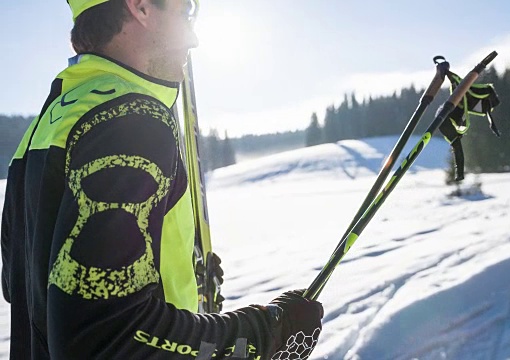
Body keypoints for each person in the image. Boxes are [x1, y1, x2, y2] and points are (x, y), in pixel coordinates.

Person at [0, 0, 323, 359]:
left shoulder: (50, 121)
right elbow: (105, 336)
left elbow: (27, 282)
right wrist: (267, 332)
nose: (194, 38)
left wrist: (176, 267)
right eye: (184, 13)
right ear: (140, 8)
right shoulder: (132, 119)